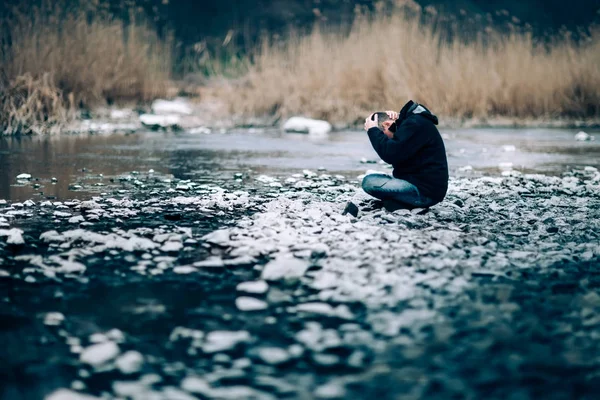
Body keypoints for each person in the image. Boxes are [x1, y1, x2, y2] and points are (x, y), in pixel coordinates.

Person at [346, 100, 448, 216]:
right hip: (423, 188)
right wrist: (398, 121)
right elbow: (398, 148)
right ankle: (400, 203)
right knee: (376, 181)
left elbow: (390, 153)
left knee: (369, 182)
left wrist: (373, 130)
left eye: (385, 136)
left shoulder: (415, 124)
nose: (388, 140)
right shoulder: (412, 124)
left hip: (424, 193)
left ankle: (405, 203)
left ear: (386, 125)